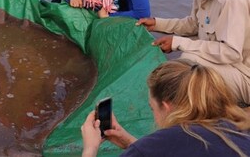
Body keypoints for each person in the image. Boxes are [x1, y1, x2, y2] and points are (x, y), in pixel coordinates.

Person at [81, 59, 250, 156]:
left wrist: (91, 147)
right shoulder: (239, 130)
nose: (153, 114)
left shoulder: (155, 146)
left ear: (167, 107)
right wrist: (130, 142)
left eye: (152, 108)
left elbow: (169, 146)